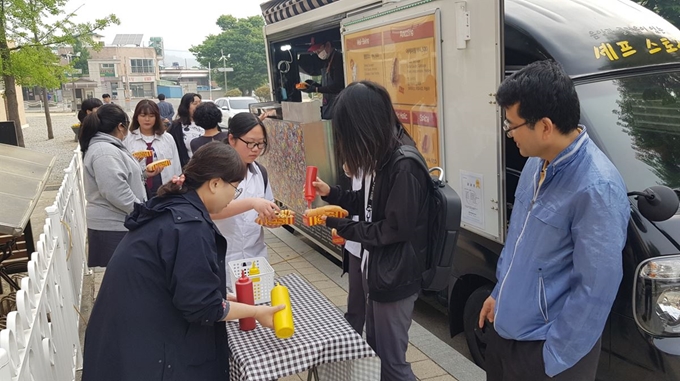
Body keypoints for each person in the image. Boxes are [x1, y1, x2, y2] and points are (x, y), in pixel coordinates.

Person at [477, 60, 630, 381]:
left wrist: (554, 357)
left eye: (512, 125)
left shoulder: (596, 187)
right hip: (506, 336)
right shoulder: (536, 163)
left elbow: (596, 287)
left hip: (545, 354)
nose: (508, 134)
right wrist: (498, 294)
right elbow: (519, 240)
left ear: (545, 126)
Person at [82, 142, 284, 381]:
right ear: (215, 183)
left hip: (124, 338)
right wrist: (256, 312)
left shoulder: (175, 206)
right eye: (236, 188)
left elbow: (180, 283)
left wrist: (219, 294)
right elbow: (203, 307)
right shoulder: (189, 226)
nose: (233, 197)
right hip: (144, 352)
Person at [311, 81, 430, 381]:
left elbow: (392, 229)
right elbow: (368, 206)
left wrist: (341, 226)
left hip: (395, 276)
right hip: (378, 270)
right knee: (375, 353)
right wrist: (334, 196)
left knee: (391, 363)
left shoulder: (403, 164)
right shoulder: (382, 155)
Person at [79, 103, 159, 268]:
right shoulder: (104, 151)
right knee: (122, 280)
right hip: (113, 226)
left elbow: (118, 179)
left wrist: (143, 174)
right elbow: (115, 191)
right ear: (121, 126)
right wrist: (141, 213)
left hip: (118, 222)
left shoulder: (108, 147)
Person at [209, 112, 279, 288]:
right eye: (249, 143)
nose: (255, 149)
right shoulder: (214, 171)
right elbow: (210, 211)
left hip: (255, 260)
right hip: (221, 261)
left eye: (260, 144)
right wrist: (252, 203)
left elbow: (267, 206)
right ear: (232, 139)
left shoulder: (260, 172)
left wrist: (271, 218)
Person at [123, 99, 182, 199]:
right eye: (143, 115)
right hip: (139, 191)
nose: (147, 119)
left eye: (151, 116)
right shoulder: (127, 139)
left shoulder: (167, 138)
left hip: (165, 190)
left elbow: (176, 166)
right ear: (136, 117)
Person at [301, 38, 345, 119]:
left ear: (328, 45)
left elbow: (338, 86)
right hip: (327, 109)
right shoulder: (326, 61)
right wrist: (314, 84)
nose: (317, 54)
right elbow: (327, 85)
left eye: (318, 51)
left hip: (338, 111)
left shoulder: (338, 59)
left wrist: (316, 89)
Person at [168, 92, 204, 167]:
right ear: (186, 107)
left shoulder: (209, 122)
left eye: (200, 102)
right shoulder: (176, 126)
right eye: (195, 103)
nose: (199, 106)